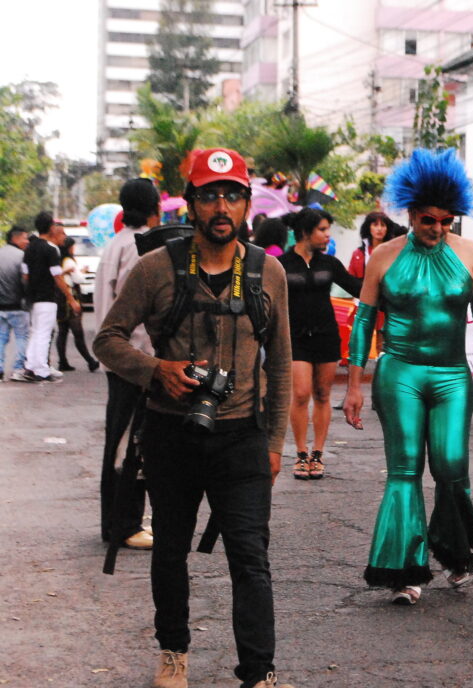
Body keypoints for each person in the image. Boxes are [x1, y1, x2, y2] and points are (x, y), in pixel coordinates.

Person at [94, 148, 295, 688]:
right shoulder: (155, 268)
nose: (221, 206)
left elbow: (279, 364)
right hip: (170, 433)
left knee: (251, 559)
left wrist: (275, 442)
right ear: (192, 203)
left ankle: (259, 672)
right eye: (209, 195)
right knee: (171, 554)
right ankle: (173, 653)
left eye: (231, 194)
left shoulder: (266, 271)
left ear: (247, 203)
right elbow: (106, 340)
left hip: (242, 440)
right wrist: (157, 368)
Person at [342, 148, 473, 605]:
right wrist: (355, 387)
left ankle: (456, 554)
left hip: (451, 376)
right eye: (428, 221)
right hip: (399, 372)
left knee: (452, 468)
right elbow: (363, 323)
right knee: (404, 471)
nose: (438, 229)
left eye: (446, 221)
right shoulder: (383, 256)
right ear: (412, 215)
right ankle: (406, 570)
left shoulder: (469, 253)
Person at [94, 178, 162, 550]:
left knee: (119, 442)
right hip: (134, 361)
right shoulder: (141, 248)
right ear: (154, 207)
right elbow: (139, 312)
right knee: (132, 445)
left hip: (116, 359)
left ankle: (116, 521)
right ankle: (125, 524)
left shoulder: (115, 245)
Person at [278, 207, 362, 480]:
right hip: (295, 337)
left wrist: (387, 277)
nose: (327, 235)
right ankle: (301, 454)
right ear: (305, 232)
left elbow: (358, 287)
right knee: (301, 393)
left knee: (323, 395)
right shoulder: (282, 263)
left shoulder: (330, 263)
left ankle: (317, 454)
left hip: (327, 335)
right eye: (322, 230)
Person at [22, 212, 78, 382]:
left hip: (33, 297)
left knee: (35, 332)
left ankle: (30, 366)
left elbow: (25, 274)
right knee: (44, 334)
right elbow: (57, 277)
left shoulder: (29, 247)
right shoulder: (51, 249)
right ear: (51, 228)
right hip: (47, 297)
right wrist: (70, 298)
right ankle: (41, 370)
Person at [55, 237, 100, 372]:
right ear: (70, 248)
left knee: (62, 331)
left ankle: (63, 361)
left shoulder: (58, 260)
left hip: (60, 299)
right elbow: (77, 279)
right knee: (77, 332)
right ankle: (90, 361)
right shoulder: (69, 261)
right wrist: (81, 272)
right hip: (70, 297)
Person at [0, 226, 30, 381]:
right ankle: (18, 368)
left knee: (1, 338)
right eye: (25, 237)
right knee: (21, 337)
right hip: (18, 306)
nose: (27, 241)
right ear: (16, 238)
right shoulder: (22, 256)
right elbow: (25, 281)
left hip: (1, 307)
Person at [348, 210, 401, 279]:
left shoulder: (394, 253)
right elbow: (350, 279)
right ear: (368, 228)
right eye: (375, 225)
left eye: (383, 225)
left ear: (387, 229)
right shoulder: (358, 254)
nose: (379, 229)